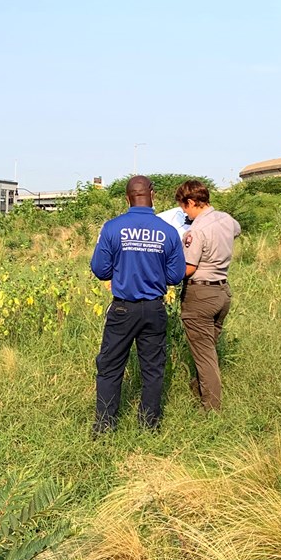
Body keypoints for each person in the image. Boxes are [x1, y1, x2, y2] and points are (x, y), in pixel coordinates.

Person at [90, 175, 187, 435]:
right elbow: (176, 276)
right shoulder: (168, 232)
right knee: (153, 370)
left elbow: (100, 269)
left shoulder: (112, 228)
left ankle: (104, 428)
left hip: (123, 309)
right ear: (152, 194)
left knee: (110, 368)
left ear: (127, 197)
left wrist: (121, 270)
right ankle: (149, 426)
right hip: (154, 309)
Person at [176, 179, 241, 411]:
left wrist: (162, 274)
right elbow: (237, 231)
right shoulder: (226, 219)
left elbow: (188, 268)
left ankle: (211, 408)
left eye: (185, 208)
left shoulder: (196, 231)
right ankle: (199, 389)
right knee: (208, 349)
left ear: (191, 202)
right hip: (222, 292)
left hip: (200, 294)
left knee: (204, 356)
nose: (185, 213)